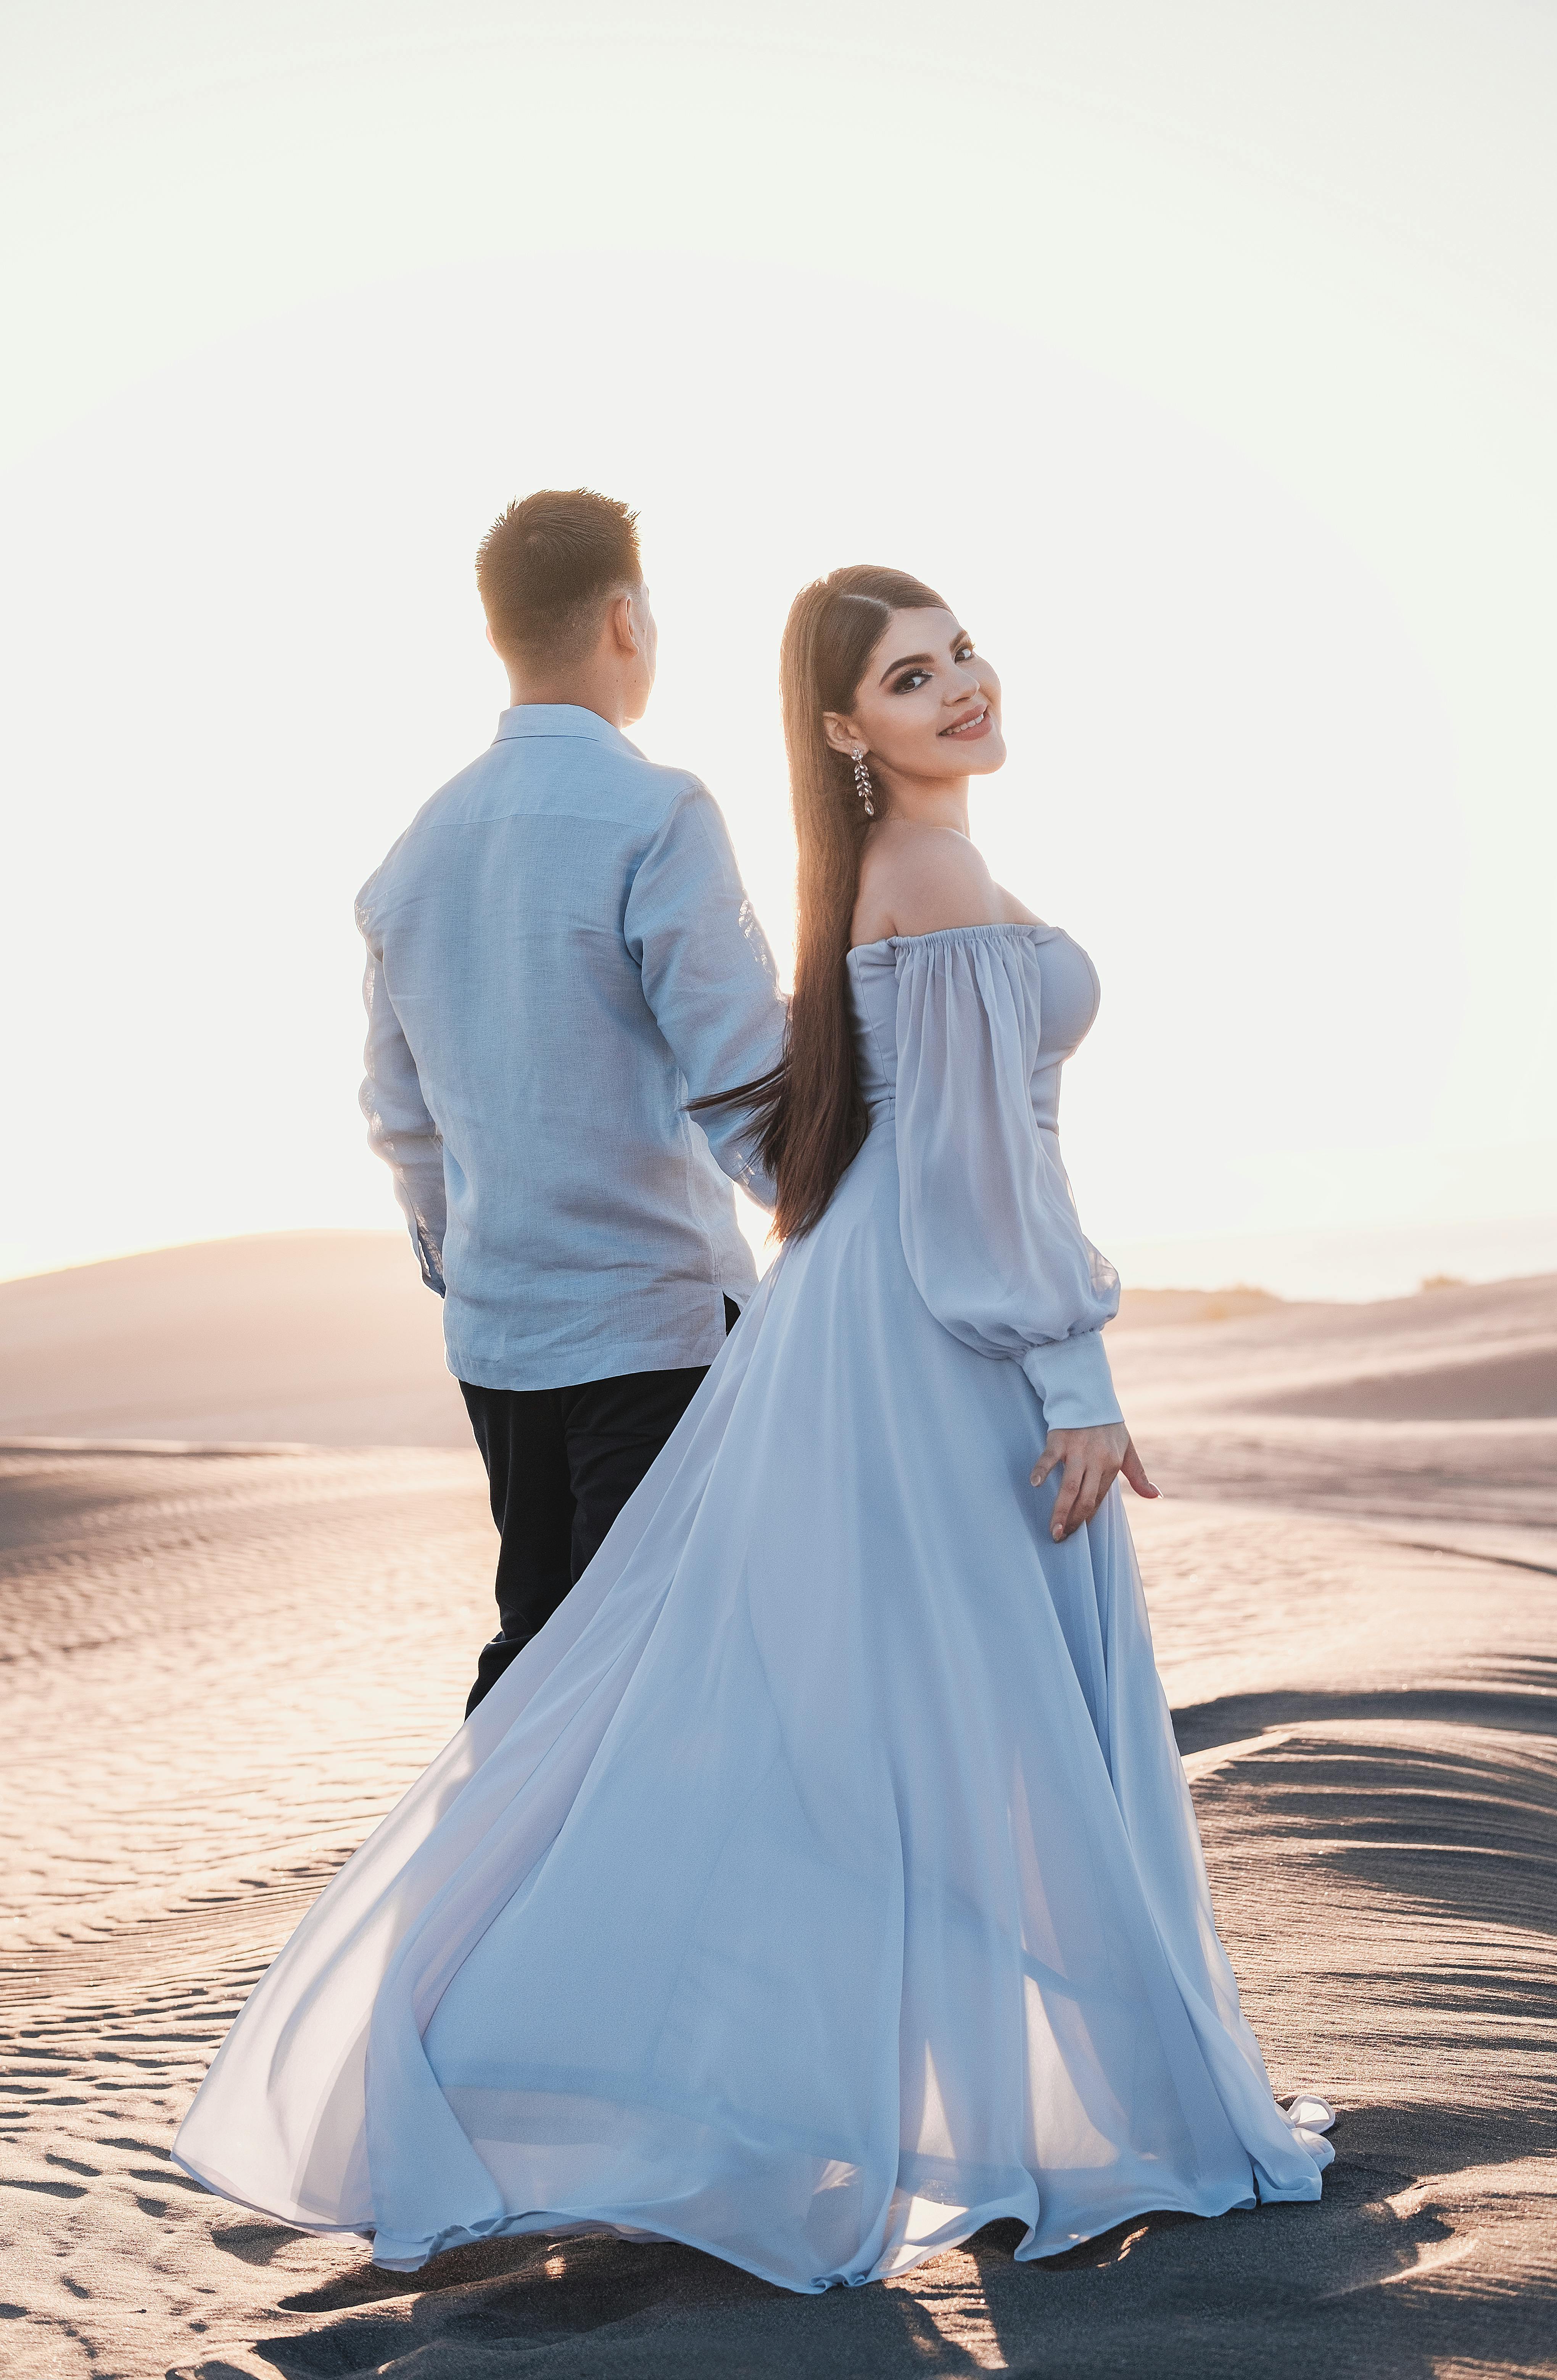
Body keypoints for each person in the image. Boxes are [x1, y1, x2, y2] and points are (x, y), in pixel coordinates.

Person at [176, 563, 1333, 2291]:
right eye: (908, 677)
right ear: (838, 728)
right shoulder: (922, 869)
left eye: (961, 655)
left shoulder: (842, 863)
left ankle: (967, 2105)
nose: (957, 689)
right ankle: (957, 2106)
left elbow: (438, 1112)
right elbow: (972, 1172)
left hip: (783, 1313)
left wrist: (490, 1253)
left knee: (843, 1719)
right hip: (932, 1334)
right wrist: (1075, 1374)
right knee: (950, 1723)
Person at [353, 488, 784, 1712]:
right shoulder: (658, 812)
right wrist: (838, 1209)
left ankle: (479, 1893)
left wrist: (478, 1259)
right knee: (659, 1680)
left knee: (541, 1651)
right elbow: (743, 1079)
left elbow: (402, 1118)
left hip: (500, 1338)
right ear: (624, 618)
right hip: (656, 1324)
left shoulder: (412, 853)